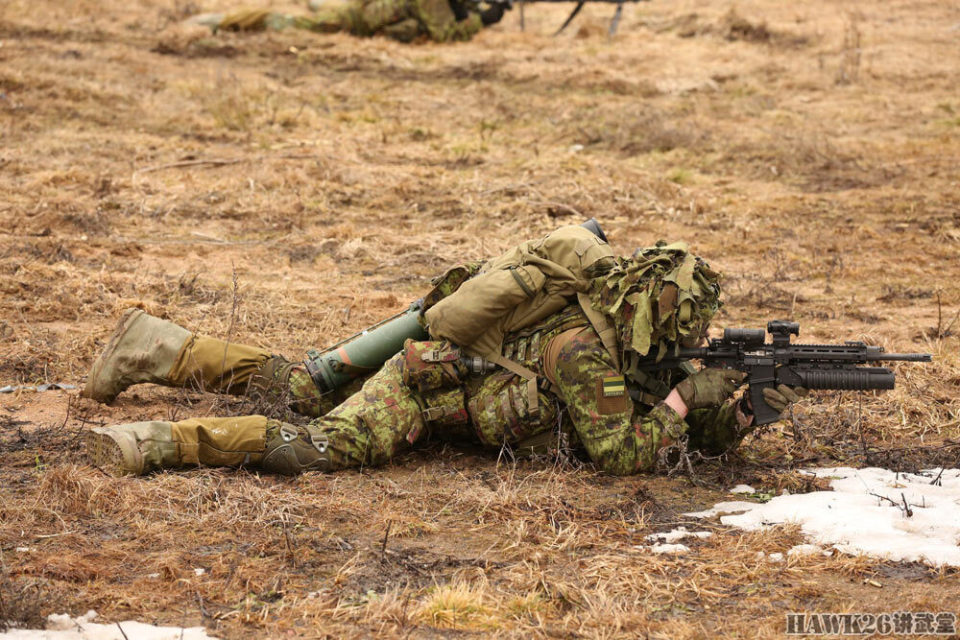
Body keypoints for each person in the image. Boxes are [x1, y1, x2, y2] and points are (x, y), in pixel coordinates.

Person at [81, 223, 806, 477]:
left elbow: (673, 422)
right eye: (686, 333)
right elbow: (624, 455)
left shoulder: (632, 344)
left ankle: (158, 347)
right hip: (425, 389)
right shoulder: (586, 352)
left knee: (303, 385)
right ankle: (154, 443)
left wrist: (741, 415)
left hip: (455, 388)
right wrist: (686, 400)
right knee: (321, 447)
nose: (693, 345)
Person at [187, 0, 509, 44]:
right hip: (351, 21)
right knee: (289, 23)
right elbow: (443, 32)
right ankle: (219, 21)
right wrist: (483, 21)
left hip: (360, 17)